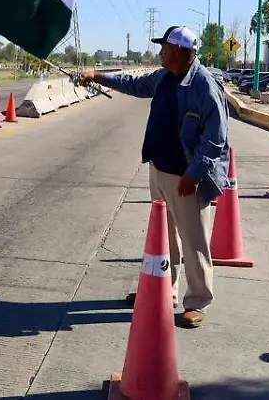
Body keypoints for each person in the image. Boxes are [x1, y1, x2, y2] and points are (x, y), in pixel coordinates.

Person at [77, 26, 230, 328]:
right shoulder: (164, 78)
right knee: (164, 238)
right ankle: (163, 290)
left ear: (180, 52)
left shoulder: (203, 86)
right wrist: (99, 77)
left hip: (187, 177)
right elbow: (133, 84)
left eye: (165, 47)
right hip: (159, 170)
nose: (160, 52)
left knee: (193, 240)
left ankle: (198, 300)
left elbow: (215, 139)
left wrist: (194, 174)